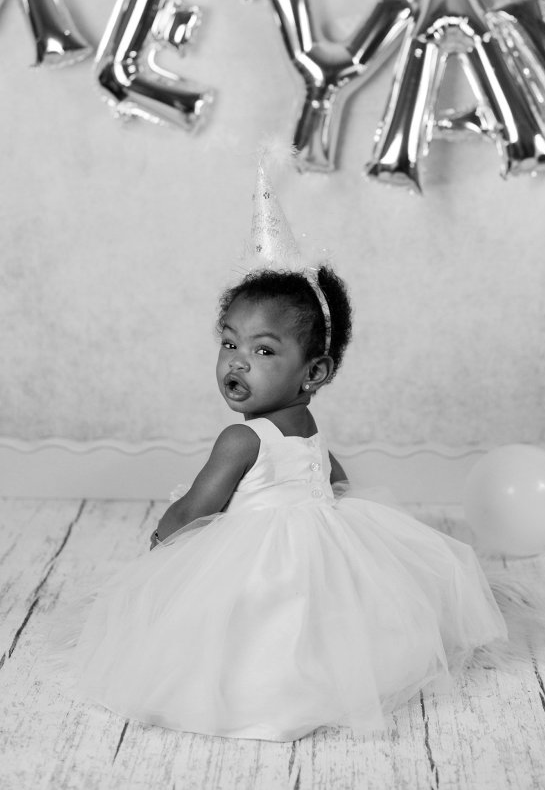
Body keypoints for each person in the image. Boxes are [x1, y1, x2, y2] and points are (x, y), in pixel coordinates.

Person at [50, 263, 511, 742]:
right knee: (320, 619)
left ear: (314, 372)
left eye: (263, 350)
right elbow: (337, 481)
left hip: (260, 561)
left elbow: (195, 509)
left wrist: (161, 545)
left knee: (242, 625)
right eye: (229, 343)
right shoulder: (309, 429)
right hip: (313, 554)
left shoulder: (240, 439)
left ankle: (257, 693)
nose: (237, 362)